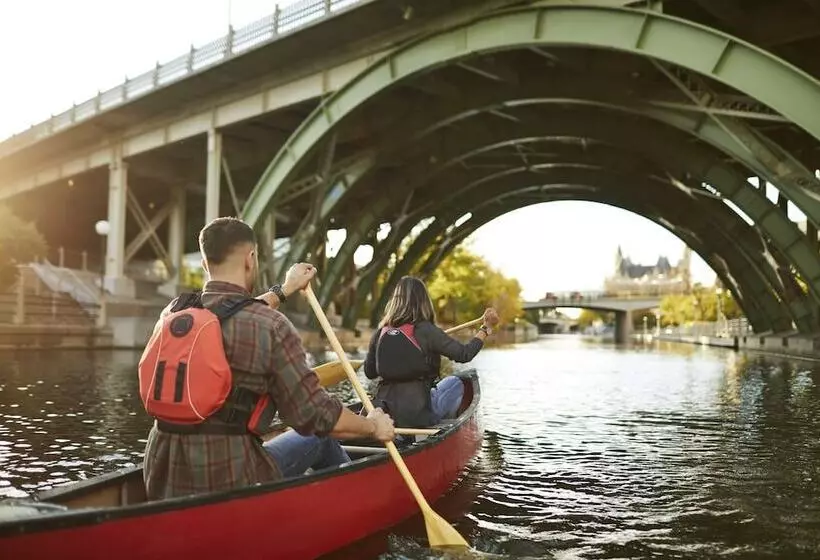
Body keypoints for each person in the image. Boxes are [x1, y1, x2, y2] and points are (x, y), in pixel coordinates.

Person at [140, 217, 395, 500]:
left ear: (204, 264)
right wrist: (373, 426)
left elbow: (229, 312)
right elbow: (315, 415)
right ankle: (360, 502)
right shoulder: (270, 326)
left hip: (161, 471)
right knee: (318, 437)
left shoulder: (173, 316)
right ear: (250, 259)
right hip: (230, 476)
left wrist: (284, 289)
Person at [363, 275, 499, 430]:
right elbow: (464, 354)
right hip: (418, 414)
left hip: (387, 413)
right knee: (458, 381)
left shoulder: (380, 333)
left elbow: (370, 372)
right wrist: (485, 329)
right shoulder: (427, 331)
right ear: (423, 302)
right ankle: (443, 425)